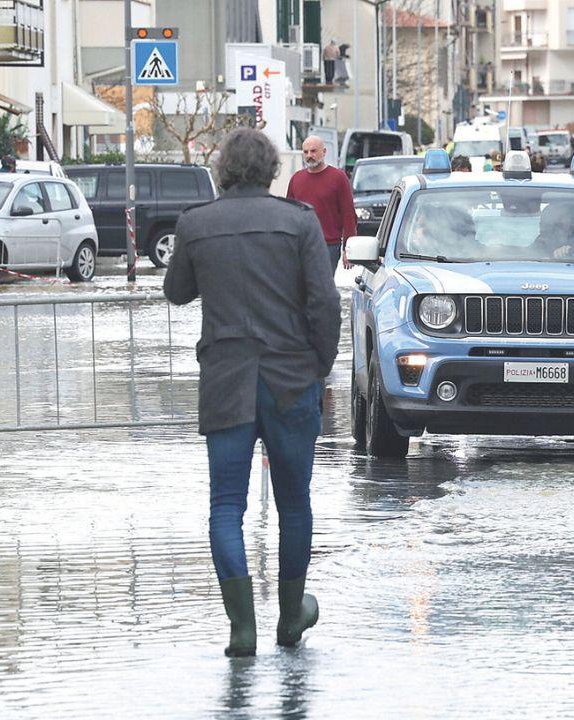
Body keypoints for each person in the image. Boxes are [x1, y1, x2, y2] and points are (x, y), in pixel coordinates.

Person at [163, 128, 341, 653]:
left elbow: (176, 292)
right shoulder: (299, 223)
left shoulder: (196, 224)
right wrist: (320, 364)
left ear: (221, 171)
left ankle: (242, 628)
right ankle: (291, 617)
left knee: (225, 507)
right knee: (294, 504)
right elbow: (324, 303)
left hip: (226, 381)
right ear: (271, 170)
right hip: (291, 380)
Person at [287, 135, 356, 273]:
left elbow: (348, 214)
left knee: (322, 289)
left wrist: (349, 249)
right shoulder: (296, 179)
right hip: (301, 245)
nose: (309, 155)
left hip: (328, 245)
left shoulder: (338, 178)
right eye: (305, 152)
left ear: (324, 152)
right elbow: (289, 214)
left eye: (313, 151)